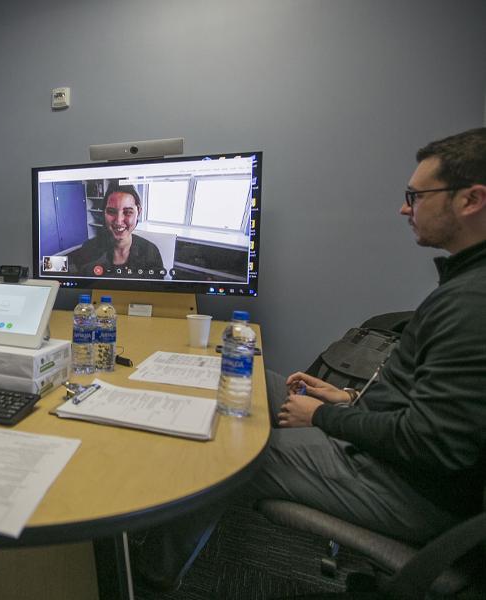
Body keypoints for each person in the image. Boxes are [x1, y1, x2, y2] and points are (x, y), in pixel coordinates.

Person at [132, 127, 486, 591]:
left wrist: (325, 415)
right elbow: (441, 402)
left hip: (403, 486)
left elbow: (437, 445)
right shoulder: (466, 283)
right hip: (384, 443)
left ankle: (145, 577)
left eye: (415, 195)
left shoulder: (470, 302)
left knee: (219, 457)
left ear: (471, 200)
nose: (405, 207)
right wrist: (351, 396)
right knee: (253, 376)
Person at [67, 185, 165, 276]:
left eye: (128, 212)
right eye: (111, 211)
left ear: (138, 212)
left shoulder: (151, 252)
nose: (118, 221)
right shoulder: (88, 249)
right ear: (104, 212)